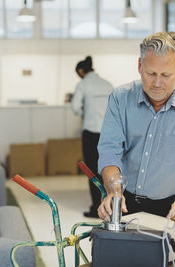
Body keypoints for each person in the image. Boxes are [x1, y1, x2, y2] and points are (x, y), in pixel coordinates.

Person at [96, 32, 175, 246]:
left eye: (166, 75)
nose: (157, 83)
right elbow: (109, 151)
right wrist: (113, 191)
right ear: (139, 66)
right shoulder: (120, 99)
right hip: (125, 203)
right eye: (150, 73)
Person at [71, 56, 114, 218]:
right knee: (109, 167)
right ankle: (111, 205)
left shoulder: (83, 85)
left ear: (81, 71)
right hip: (109, 132)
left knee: (91, 170)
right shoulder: (107, 84)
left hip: (91, 132)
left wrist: (85, 113)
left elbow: (75, 107)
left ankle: (97, 207)